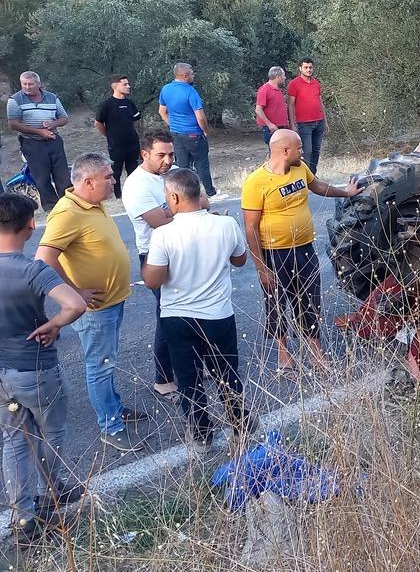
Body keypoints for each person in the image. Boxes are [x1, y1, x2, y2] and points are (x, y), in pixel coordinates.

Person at [35, 153, 147, 452]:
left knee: (108, 361)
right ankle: (110, 426)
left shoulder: (94, 203)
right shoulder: (67, 213)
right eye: (108, 177)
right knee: (100, 366)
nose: (114, 181)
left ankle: (114, 407)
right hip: (96, 310)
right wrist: (74, 292)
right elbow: (43, 260)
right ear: (87, 182)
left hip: (112, 301)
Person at [143, 169, 256, 455]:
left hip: (178, 317)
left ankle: (202, 434)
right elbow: (240, 260)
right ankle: (240, 424)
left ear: (174, 197)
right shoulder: (226, 224)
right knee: (227, 373)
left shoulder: (164, 234)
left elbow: (153, 280)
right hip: (218, 314)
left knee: (188, 379)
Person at [0, 193, 87, 541]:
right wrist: (54, 325)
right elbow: (75, 304)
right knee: (50, 433)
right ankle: (52, 492)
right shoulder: (32, 270)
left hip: (2, 373)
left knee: (13, 440)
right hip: (35, 369)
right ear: (30, 225)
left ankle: (22, 520)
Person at [242, 129, 362, 376]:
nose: (303, 151)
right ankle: (283, 356)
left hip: (305, 249)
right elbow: (250, 228)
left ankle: (316, 355)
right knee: (276, 304)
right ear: (285, 151)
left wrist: (346, 193)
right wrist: (261, 268)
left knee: (310, 301)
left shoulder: (300, 169)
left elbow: (317, 185)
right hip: (274, 254)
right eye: (299, 148)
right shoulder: (256, 182)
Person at [124, 128, 207, 404]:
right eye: (161, 155)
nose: (168, 160)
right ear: (144, 154)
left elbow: (204, 201)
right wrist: (189, 207)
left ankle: (195, 364)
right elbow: (158, 221)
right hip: (156, 255)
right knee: (168, 316)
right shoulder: (136, 185)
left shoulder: (177, 173)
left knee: (194, 308)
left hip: (187, 249)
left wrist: (181, 208)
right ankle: (163, 379)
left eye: (171, 154)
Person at [158, 63, 228, 201]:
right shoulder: (190, 92)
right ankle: (210, 193)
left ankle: (184, 196)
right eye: (192, 73)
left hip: (176, 134)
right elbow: (200, 116)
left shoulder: (166, 89)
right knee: (201, 164)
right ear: (185, 76)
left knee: (183, 166)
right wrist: (205, 130)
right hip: (194, 133)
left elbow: (162, 112)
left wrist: (174, 125)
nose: (193, 75)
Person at [7, 71, 71, 211]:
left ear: (39, 84)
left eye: (30, 84)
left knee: (63, 177)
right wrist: (39, 132)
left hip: (53, 140)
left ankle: (69, 206)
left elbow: (64, 118)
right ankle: (52, 209)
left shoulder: (52, 97)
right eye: (24, 84)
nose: (27, 87)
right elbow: (13, 124)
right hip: (32, 143)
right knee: (42, 179)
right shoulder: (15, 100)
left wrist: (53, 124)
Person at [93, 75, 142, 200]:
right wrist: (109, 135)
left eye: (128, 84)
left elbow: (136, 120)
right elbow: (98, 123)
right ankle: (118, 195)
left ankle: (134, 194)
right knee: (116, 171)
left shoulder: (130, 103)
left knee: (134, 171)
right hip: (116, 145)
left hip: (132, 143)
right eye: (125, 84)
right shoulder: (107, 104)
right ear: (115, 86)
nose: (128, 86)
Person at [287, 58, 326, 174]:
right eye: (306, 67)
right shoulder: (294, 84)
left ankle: (313, 175)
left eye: (310, 67)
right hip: (304, 123)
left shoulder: (316, 83)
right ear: (300, 68)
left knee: (316, 150)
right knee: (307, 151)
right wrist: (292, 124)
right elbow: (290, 105)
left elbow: (320, 102)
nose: (308, 70)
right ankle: (305, 176)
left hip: (319, 121)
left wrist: (325, 121)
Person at [255, 66, 291, 145]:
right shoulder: (264, 89)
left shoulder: (278, 90)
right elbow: (258, 110)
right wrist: (270, 124)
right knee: (276, 150)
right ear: (278, 77)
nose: (285, 78)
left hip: (281, 127)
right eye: (283, 76)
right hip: (272, 128)